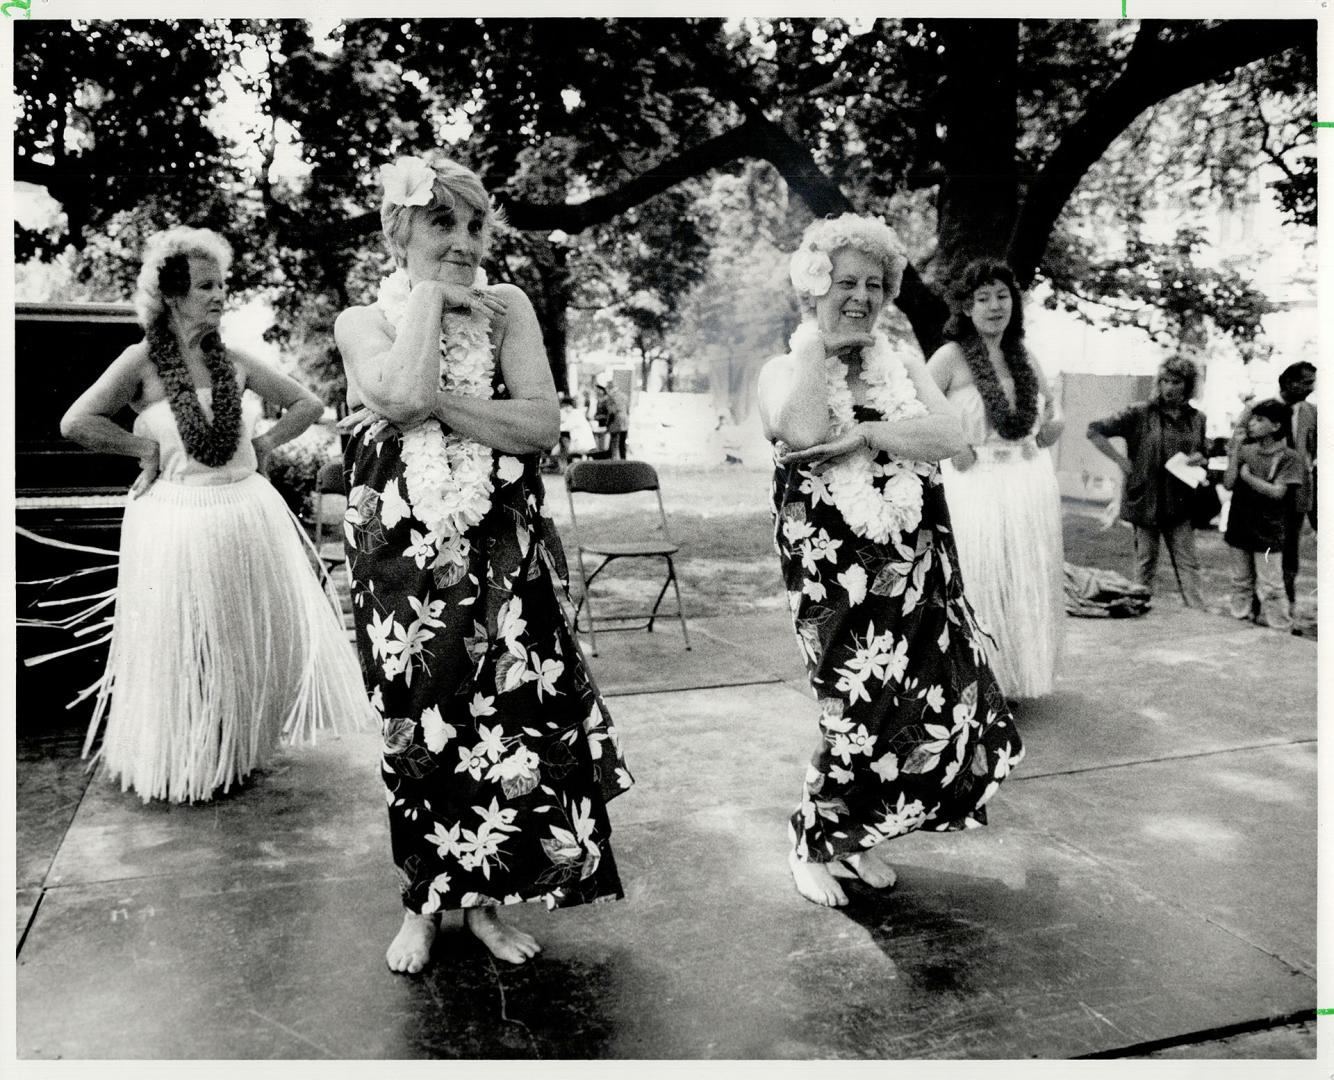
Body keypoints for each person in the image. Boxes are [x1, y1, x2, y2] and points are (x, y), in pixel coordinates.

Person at [334, 153, 632, 974]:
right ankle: (424, 904)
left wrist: (446, 407)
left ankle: (487, 903)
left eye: (476, 225)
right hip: (400, 558)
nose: (466, 240)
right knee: (417, 727)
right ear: (400, 231)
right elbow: (394, 394)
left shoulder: (509, 310)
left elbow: (538, 426)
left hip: (501, 546)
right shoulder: (362, 320)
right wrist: (430, 299)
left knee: (504, 726)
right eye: (443, 223)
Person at [757, 213, 1025, 909]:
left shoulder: (904, 365)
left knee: (919, 703)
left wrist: (869, 433)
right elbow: (804, 429)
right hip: (833, 567)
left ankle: (857, 836)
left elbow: (946, 436)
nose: (862, 297)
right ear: (813, 285)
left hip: (914, 558)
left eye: (876, 284)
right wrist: (823, 347)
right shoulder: (784, 368)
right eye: (845, 281)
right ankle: (812, 839)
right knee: (853, 707)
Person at [56, 226, 370, 804]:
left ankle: (237, 753)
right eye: (206, 286)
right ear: (172, 295)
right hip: (176, 518)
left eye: (222, 284)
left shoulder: (236, 361)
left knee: (241, 640)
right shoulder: (142, 361)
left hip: (246, 513)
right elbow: (77, 423)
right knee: (190, 644)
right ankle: (189, 761)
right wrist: (141, 449)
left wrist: (268, 444)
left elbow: (308, 403)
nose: (220, 295)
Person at [926, 259, 1065, 698]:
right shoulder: (950, 357)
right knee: (979, 578)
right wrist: (954, 445)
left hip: (1024, 480)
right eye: (982, 298)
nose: (994, 306)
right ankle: (973, 681)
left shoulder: (1024, 356)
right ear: (966, 307)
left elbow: (1048, 413)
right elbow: (914, 408)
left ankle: (1014, 679)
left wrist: (1051, 426)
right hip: (973, 482)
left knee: (1020, 580)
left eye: (1002, 296)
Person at [1086, 357, 1209, 608]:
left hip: (1181, 500)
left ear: (1188, 385)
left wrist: (1198, 458)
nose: (1169, 387)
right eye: (1164, 381)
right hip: (1146, 499)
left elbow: (1201, 451)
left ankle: (1199, 615)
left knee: (1188, 562)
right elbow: (1094, 430)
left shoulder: (1197, 418)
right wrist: (1120, 460)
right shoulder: (1140, 413)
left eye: (1176, 381)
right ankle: (1138, 607)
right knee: (1146, 560)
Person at [1223, 398, 1306, 630]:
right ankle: (1238, 623)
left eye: (1260, 420)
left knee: (1271, 585)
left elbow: (1278, 492)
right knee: (1240, 582)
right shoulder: (1246, 451)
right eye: (1252, 419)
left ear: (1276, 426)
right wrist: (1235, 453)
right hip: (1240, 525)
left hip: (1268, 531)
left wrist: (1249, 478)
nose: (1252, 424)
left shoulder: (1290, 457)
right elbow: (1228, 483)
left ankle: (1280, 628)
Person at [1276, 361, 1317, 605]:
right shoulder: (1262, 409)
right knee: (1268, 550)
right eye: (1306, 382)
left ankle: (1287, 607)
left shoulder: (1312, 412)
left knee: (1291, 549)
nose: (1310, 388)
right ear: (1288, 382)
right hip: (1269, 493)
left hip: (1297, 493)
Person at [595, 379, 629, 459]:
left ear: (609, 388)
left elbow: (612, 412)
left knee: (614, 445)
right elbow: (627, 410)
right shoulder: (624, 396)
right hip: (625, 423)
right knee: (622, 445)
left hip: (615, 423)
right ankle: (624, 461)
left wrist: (607, 424)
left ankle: (613, 463)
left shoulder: (610, 398)